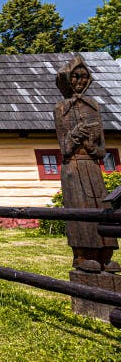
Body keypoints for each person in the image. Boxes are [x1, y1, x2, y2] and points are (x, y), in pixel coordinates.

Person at [54, 56, 119, 273]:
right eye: (75, 76)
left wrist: (92, 144)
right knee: (79, 208)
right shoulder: (62, 107)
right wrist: (74, 135)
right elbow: (64, 148)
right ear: (66, 79)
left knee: (102, 207)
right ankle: (83, 255)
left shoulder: (93, 107)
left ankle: (106, 253)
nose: (80, 81)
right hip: (73, 167)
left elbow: (102, 150)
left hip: (93, 166)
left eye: (83, 77)